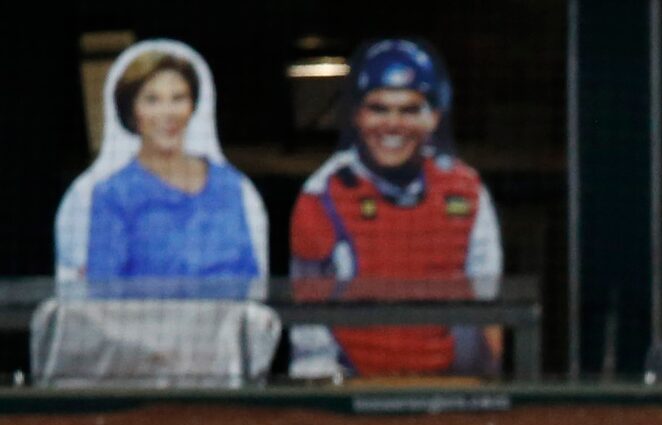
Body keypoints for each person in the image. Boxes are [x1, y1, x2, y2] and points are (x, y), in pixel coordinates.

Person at [290, 38, 503, 380]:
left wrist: (482, 385)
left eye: (409, 110)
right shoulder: (323, 194)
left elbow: (488, 303)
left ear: (434, 116)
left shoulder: (467, 190)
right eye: (379, 108)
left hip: (446, 385)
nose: (392, 124)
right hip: (352, 385)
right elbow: (307, 320)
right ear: (358, 114)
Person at [55, 39, 267, 289]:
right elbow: (105, 298)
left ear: (193, 106)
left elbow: (252, 281)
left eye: (178, 98)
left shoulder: (230, 185)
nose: (168, 113)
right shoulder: (112, 195)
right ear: (132, 110)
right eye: (152, 100)